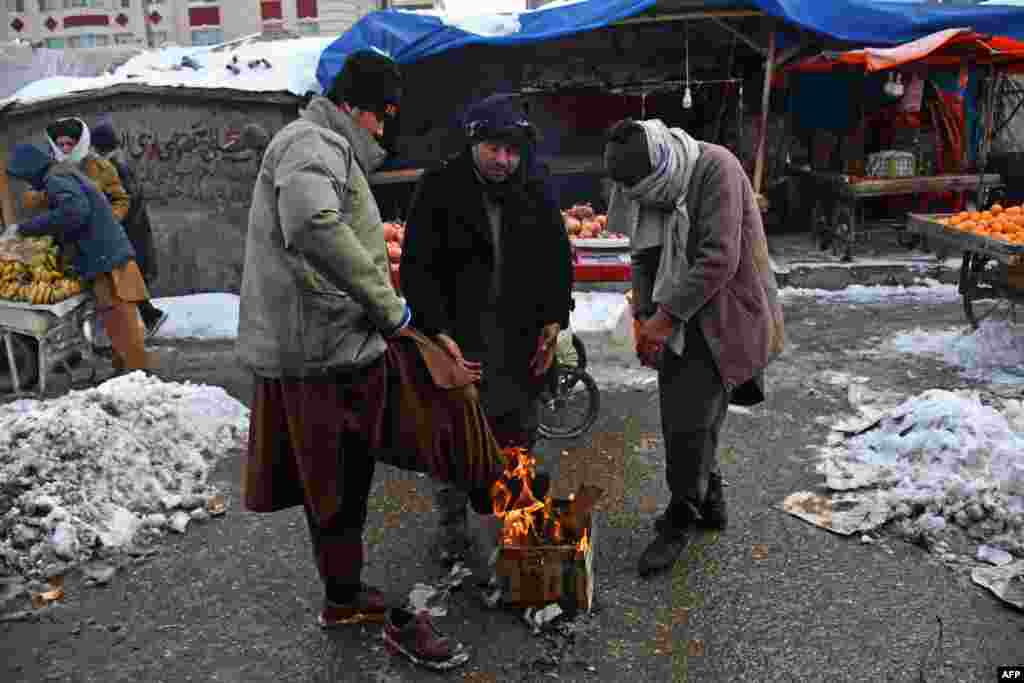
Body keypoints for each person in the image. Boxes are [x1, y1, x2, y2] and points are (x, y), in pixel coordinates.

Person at [236, 51, 508, 657]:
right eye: (382, 118)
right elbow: (312, 223)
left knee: (347, 471)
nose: (384, 132)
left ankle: (349, 586)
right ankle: (343, 596)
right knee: (333, 476)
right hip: (318, 350)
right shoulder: (312, 142)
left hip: (335, 343)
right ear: (358, 109)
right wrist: (391, 310)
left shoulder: (323, 146)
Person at [602, 118, 785, 577]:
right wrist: (644, 317)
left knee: (690, 422)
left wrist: (664, 320)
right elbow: (644, 255)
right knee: (686, 418)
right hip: (678, 316)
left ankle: (681, 517)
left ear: (658, 171)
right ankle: (710, 497)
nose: (638, 202)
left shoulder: (713, 169)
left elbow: (718, 258)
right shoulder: (652, 188)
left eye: (640, 190)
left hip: (724, 316)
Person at [400, 93, 574, 565]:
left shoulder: (534, 188)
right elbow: (417, 269)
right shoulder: (439, 187)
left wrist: (556, 317)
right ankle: (453, 528)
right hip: (461, 339)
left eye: (513, 151)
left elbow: (559, 259)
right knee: (455, 438)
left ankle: (514, 526)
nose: (504, 160)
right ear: (474, 141)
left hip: (519, 341)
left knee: (518, 435)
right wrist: (435, 331)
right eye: (495, 148)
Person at [4, 143, 150, 373]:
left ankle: (138, 376)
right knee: (117, 319)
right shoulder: (63, 172)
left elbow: (75, 211)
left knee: (119, 318)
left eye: (24, 176)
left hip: (105, 257)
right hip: (106, 253)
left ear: (30, 169)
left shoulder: (56, 178)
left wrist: (26, 228)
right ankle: (129, 374)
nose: (26, 182)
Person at [91, 119, 169, 338]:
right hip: (132, 231)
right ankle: (146, 317)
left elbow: (127, 201)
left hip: (127, 232)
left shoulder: (115, 169)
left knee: (125, 279)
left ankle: (145, 318)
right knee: (126, 279)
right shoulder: (120, 166)